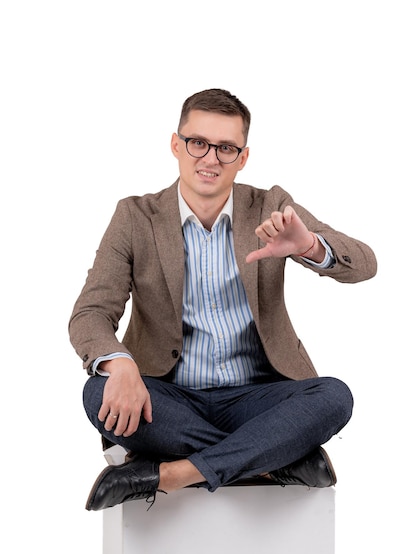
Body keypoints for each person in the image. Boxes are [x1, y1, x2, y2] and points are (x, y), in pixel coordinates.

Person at [69, 88, 377, 511]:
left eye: (226, 148)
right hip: (168, 399)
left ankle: (172, 472)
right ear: (176, 145)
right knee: (96, 393)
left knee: (334, 397)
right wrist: (119, 364)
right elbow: (90, 313)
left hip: (257, 398)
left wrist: (308, 245)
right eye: (198, 143)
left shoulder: (270, 205)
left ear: (243, 157)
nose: (210, 158)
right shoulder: (135, 216)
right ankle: (274, 457)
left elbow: (365, 264)